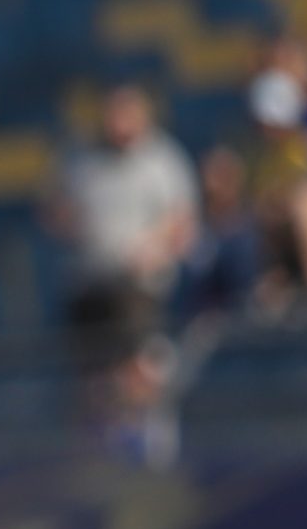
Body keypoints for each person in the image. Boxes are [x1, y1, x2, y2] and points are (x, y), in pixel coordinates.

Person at [50, 86, 198, 360]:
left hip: (141, 288)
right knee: (91, 371)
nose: (119, 121)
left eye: (127, 114)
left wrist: (154, 249)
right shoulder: (81, 157)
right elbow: (55, 209)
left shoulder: (163, 160)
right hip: (90, 283)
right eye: (114, 113)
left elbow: (182, 221)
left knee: (136, 366)